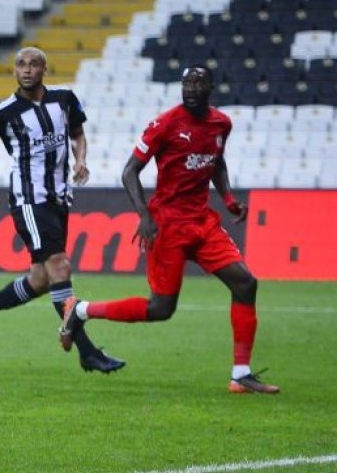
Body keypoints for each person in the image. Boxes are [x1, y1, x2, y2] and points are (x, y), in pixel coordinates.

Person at [59, 66, 280, 394]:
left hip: (203, 222)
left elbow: (216, 161)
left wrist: (230, 199)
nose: (190, 88)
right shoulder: (165, 124)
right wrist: (145, 215)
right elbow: (129, 171)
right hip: (168, 226)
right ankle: (80, 310)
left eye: (197, 82)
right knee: (161, 309)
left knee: (246, 283)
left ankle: (241, 373)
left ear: (211, 87)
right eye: (186, 83)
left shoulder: (222, 123)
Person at [0, 46, 125, 374]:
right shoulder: (4, 112)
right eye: (21, 64)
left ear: (45, 69)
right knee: (60, 268)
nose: (28, 69)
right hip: (29, 201)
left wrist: (80, 160)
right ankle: (87, 351)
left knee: (41, 279)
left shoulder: (64, 98)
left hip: (60, 198)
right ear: (14, 70)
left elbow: (78, 134)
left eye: (34, 64)